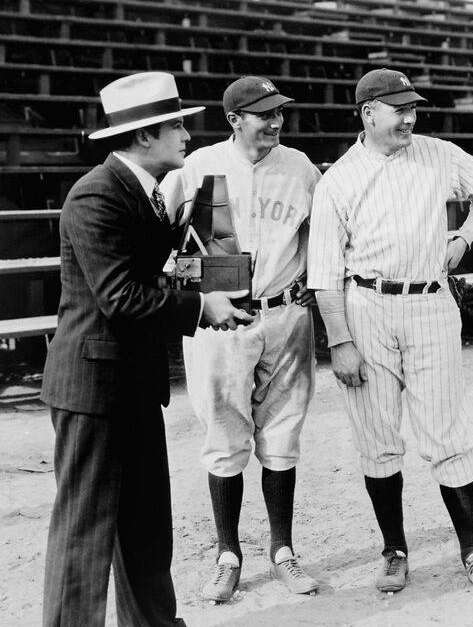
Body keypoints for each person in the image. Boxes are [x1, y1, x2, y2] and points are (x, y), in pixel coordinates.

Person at [40, 71, 251, 627]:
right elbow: (121, 297)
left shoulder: (150, 194)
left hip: (131, 384)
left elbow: (158, 273)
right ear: (142, 137)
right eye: (176, 125)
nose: (187, 133)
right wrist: (203, 307)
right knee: (85, 535)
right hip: (91, 389)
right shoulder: (95, 195)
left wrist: (207, 265)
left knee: (145, 526)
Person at [307, 68, 473, 598]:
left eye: (413, 107)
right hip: (367, 305)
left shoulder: (438, 153)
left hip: (430, 302)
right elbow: (324, 273)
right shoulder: (338, 179)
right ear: (368, 113)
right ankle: (394, 550)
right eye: (398, 109)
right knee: (377, 437)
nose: (410, 117)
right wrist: (340, 341)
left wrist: (463, 236)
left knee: (448, 432)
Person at [161, 76, 322, 602]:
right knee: (223, 438)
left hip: (283, 314)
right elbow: (157, 233)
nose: (275, 121)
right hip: (220, 316)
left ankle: (283, 551)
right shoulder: (198, 166)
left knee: (282, 434)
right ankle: (228, 553)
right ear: (235, 119)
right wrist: (189, 287)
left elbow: (322, 237)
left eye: (279, 113)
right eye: (263, 114)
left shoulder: (300, 168)